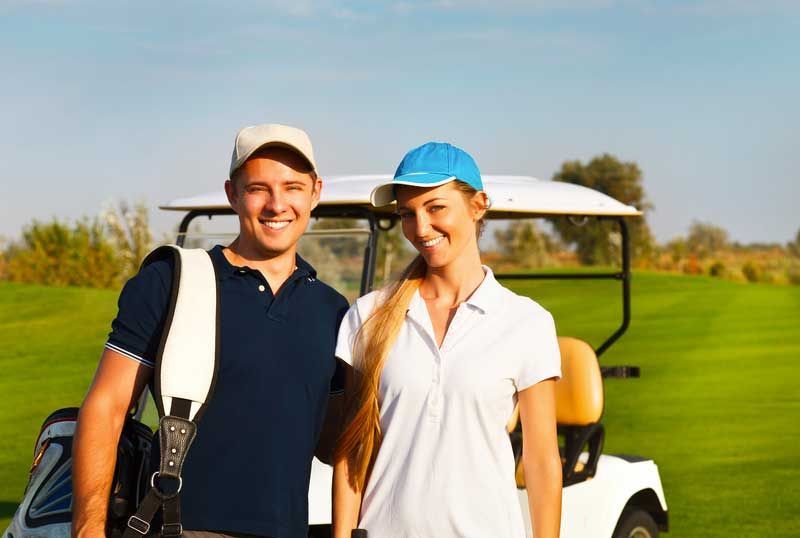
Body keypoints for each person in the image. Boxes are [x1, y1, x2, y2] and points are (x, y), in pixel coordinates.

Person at [72, 124, 349, 538]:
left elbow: (334, 445)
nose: (277, 204)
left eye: (292, 187)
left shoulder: (333, 310)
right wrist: (87, 531)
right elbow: (107, 407)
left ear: (315, 192)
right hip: (174, 527)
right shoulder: (171, 281)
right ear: (232, 194)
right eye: (259, 188)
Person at [332, 142, 563, 538]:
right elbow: (353, 452)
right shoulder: (367, 316)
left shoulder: (527, 322)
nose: (420, 228)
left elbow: (541, 461)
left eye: (436, 207)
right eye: (408, 213)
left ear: (478, 206)